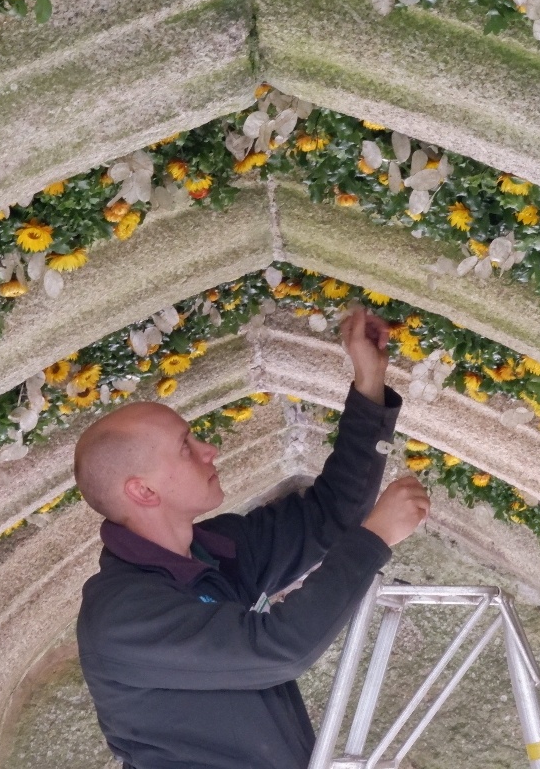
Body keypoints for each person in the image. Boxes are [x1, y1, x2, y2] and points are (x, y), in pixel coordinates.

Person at [73, 304, 431, 769]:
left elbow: (328, 514)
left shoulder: (214, 549)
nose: (209, 449)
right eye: (186, 447)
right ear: (143, 491)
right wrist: (375, 539)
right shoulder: (121, 618)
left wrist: (369, 384)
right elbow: (278, 649)